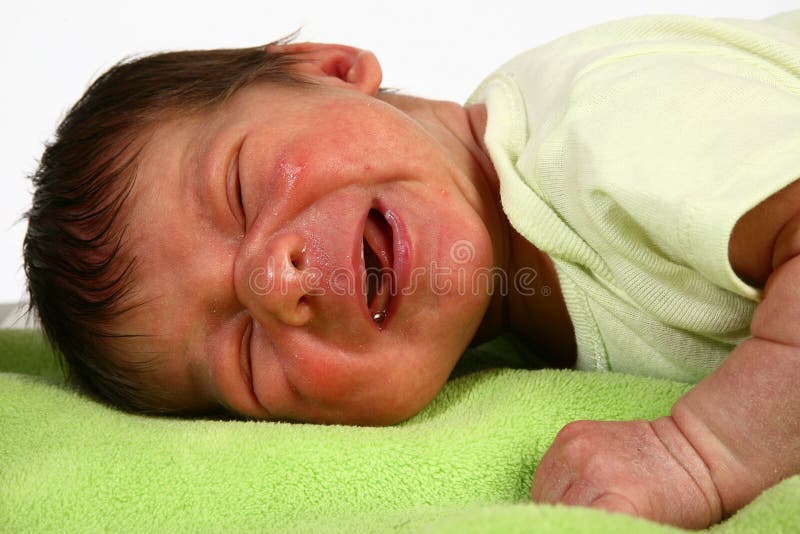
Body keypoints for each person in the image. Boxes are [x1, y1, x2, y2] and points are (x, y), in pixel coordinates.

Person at [23, 11, 800, 529]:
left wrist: (702, 453)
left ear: (327, 67)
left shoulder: (601, 124)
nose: (272, 281)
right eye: (246, 357)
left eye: (239, 185)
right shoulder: (517, 307)